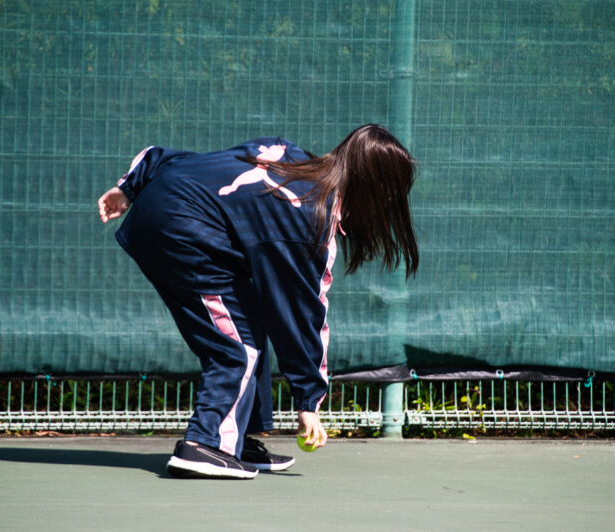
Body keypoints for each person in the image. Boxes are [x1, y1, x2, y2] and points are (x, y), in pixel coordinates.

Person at [97, 124, 419, 479]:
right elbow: (303, 314)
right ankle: (204, 443)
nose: (390, 202)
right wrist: (308, 403)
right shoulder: (311, 220)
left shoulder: (286, 155)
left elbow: (202, 164)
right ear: (376, 186)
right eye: (391, 191)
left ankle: (234, 438)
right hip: (180, 229)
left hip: (165, 207)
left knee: (250, 321)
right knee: (237, 346)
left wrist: (130, 186)